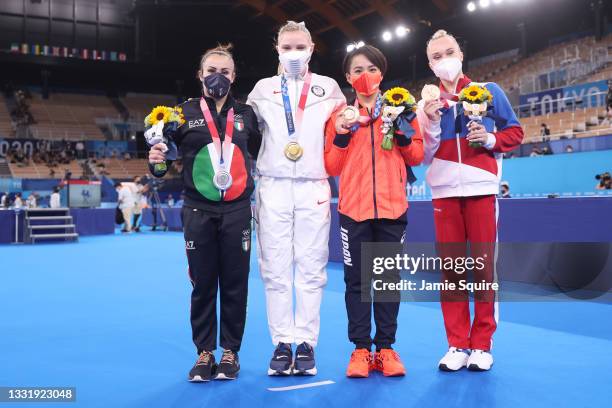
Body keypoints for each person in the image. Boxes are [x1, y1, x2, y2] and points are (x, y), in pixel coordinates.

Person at [148, 43, 262, 382]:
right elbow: (162, 162)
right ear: (200, 76)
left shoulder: (247, 115)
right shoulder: (179, 114)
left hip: (238, 210)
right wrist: (155, 163)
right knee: (202, 284)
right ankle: (204, 351)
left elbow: (261, 155)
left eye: (224, 72)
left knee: (235, 283)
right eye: (211, 71)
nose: (218, 77)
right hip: (198, 210)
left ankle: (230, 351)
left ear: (234, 76)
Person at [416, 30, 523, 372]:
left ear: (461, 54)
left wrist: (490, 137)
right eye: (437, 56)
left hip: (481, 188)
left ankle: (482, 344)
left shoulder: (489, 92)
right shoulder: (426, 105)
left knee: (481, 269)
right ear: (430, 65)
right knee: (451, 273)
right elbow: (423, 154)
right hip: (444, 192)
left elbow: (515, 132)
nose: (444, 59)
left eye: (449, 52)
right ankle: (457, 344)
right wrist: (431, 121)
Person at [247, 21, 345, 376]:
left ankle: (305, 343)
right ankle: (281, 342)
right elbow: (245, 133)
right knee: (273, 267)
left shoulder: (329, 88)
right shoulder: (262, 89)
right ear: (277, 49)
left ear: (311, 49)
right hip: (272, 184)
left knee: (311, 267)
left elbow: (341, 132)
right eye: (287, 47)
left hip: (313, 185)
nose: (293, 53)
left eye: (299, 47)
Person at [324, 45, 424, 378]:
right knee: (356, 281)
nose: (364, 76)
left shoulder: (402, 109)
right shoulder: (340, 115)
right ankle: (361, 350)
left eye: (370, 69)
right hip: (354, 209)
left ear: (381, 72)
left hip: (392, 209)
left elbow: (416, 156)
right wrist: (341, 133)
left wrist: (400, 133)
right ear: (347, 78)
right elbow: (332, 165)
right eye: (356, 70)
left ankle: (386, 349)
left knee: (386, 281)